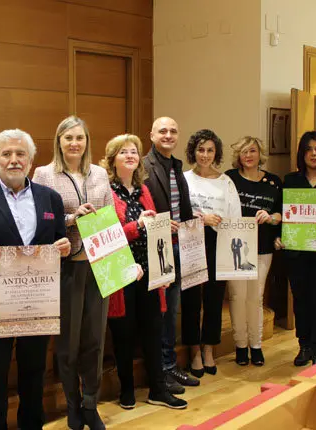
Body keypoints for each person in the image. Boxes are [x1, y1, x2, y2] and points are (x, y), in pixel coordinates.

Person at [0, 129, 71, 430]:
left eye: (20, 154)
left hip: (38, 304)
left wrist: (65, 246)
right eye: (6, 154)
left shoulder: (51, 199)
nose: (13, 160)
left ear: (31, 161)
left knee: (34, 372)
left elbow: (60, 240)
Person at [32, 116, 113, 430]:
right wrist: (70, 218)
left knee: (95, 340)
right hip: (65, 268)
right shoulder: (43, 175)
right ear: (59, 141)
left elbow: (108, 218)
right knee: (68, 344)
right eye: (68, 138)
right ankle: (72, 406)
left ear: (87, 141)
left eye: (79, 138)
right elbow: (41, 219)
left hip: (98, 265)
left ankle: (91, 403)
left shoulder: (100, 174)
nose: (74, 144)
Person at [101, 134, 187, 410]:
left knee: (153, 331)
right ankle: (126, 391)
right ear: (112, 158)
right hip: (121, 272)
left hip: (150, 271)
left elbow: (153, 227)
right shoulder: (105, 191)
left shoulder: (143, 190)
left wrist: (163, 226)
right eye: (123, 151)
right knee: (123, 334)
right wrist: (137, 226)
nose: (130, 155)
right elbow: (107, 236)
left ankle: (158, 390)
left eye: (134, 152)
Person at [143, 116, 199, 393]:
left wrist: (192, 218)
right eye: (162, 131)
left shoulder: (176, 166)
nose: (168, 135)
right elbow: (141, 208)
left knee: (171, 311)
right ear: (151, 134)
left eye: (173, 131)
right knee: (159, 313)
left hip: (180, 246)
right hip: (156, 248)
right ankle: (159, 371)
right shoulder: (144, 166)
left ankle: (169, 365)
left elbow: (181, 206)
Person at [181, 129, 241, 377]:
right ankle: (193, 350)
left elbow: (235, 216)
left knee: (215, 300)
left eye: (209, 150)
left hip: (219, 241)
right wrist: (200, 219)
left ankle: (208, 348)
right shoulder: (183, 178)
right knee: (191, 299)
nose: (204, 155)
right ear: (193, 151)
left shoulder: (225, 181)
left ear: (216, 153)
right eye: (200, 150)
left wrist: (218, 222)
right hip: (191, 241)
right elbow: (178, 213)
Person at [225, 136, 282, 367]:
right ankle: (240, 345)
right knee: (237, 297)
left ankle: (256, 345)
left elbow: (281, 214)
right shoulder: (229, 179)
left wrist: (270, 218)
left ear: (260, 154)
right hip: (234, 248)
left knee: (255, 297)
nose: (248, 156)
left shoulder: (274, 182)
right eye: (243, 152)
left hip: (262, 246)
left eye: (252, 151)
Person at [281, 131, 316, 366]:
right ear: (301, 154)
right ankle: (304, 345)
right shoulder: (291, 181)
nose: (313, 154)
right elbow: (282, 213)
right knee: (301, 300)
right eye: (308, 149)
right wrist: (278, 236)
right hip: (297, 251)